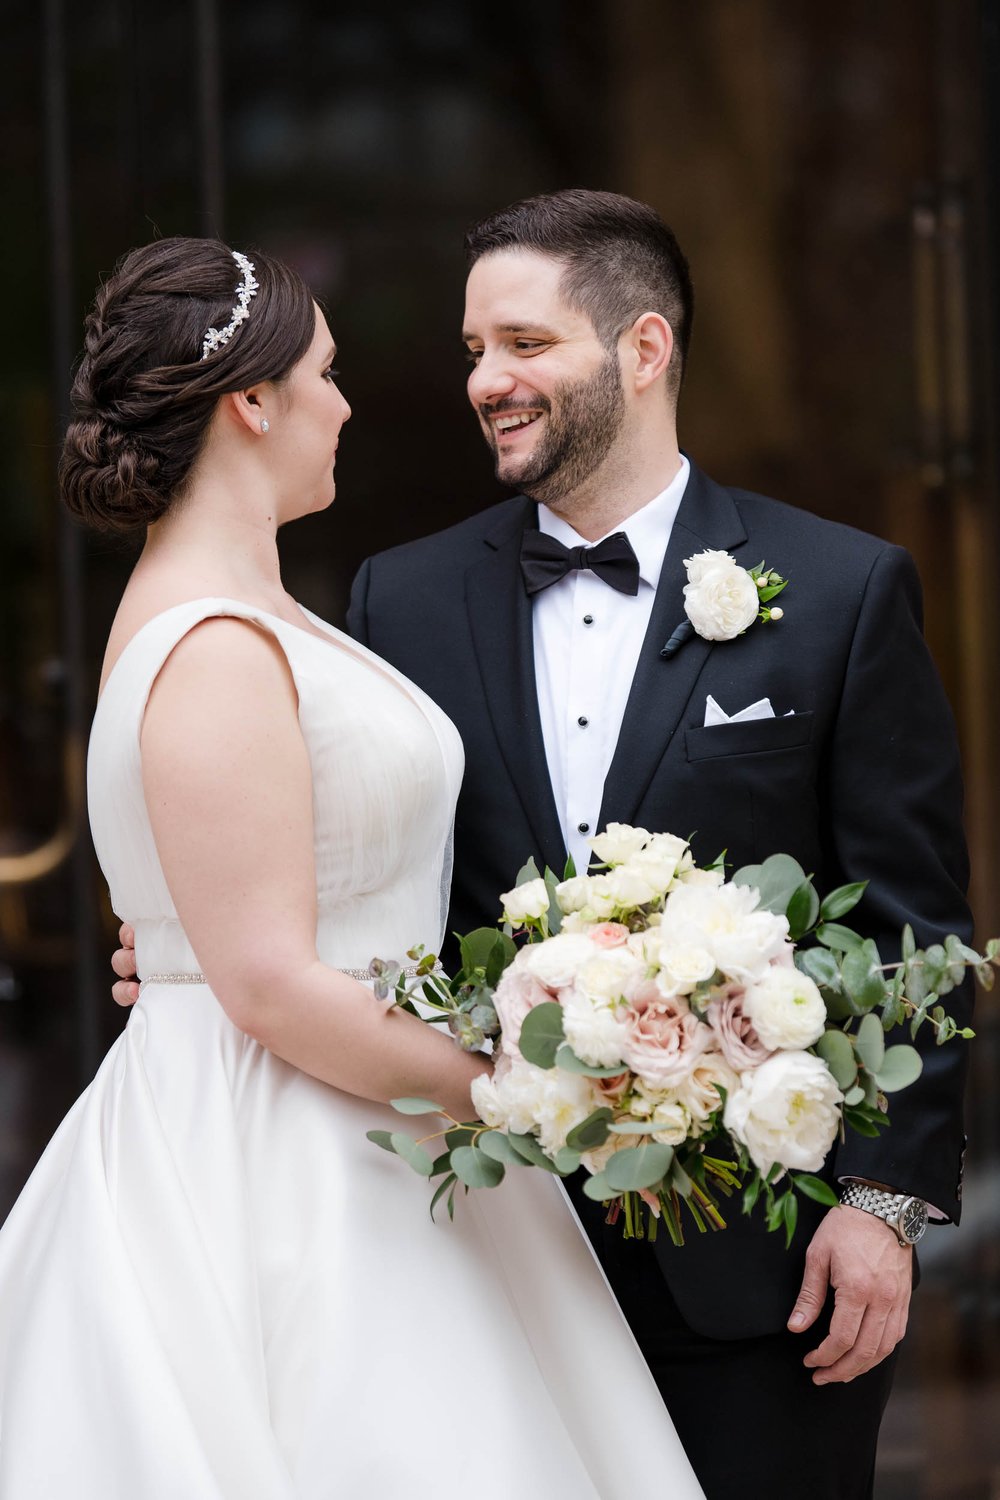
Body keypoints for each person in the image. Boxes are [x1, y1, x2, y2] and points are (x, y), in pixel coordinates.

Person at [0, 236, 704, 1497]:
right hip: (293, 1154)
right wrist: (522, 1102)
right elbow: (267, 982)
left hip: (365, 1115)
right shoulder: (211, 637)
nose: (345, 401)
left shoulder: (254, 611)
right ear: (251, 402)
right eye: (323, 373)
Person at [342, 190, 974, 1498]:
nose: (486, 382)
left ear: (643, 348)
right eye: (473, 351)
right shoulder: (398, 600)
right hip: (490, 1258)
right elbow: (354, 862)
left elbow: (915, 926)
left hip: (765, 1273)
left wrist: (883, 1207)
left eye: (523, 344)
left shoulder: (844, 592)